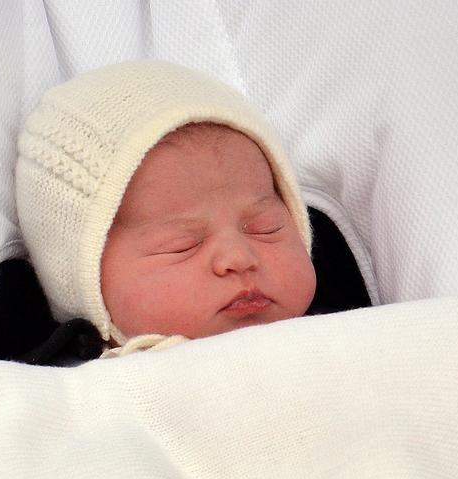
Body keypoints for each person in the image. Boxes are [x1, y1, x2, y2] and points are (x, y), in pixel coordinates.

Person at [16, 60, 316, 358]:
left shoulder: (348, 336)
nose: (239, 258)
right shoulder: (68, 393)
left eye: (266, 227)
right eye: (182, 245)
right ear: (86, 284)